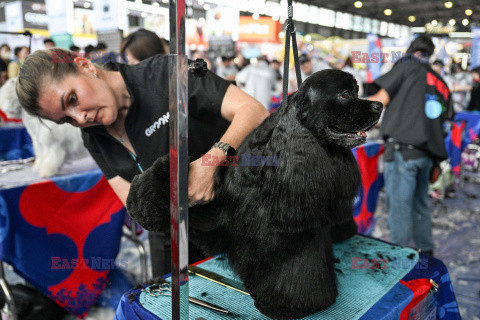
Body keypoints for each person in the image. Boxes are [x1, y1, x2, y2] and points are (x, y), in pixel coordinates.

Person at [16, 48, 269, 276]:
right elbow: (132, 202)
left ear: (85, 66)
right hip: (173, 234)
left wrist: (211, 163)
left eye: (72, 99)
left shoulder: (164, 75)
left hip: (241, 215)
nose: (80, 119)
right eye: (66, 120)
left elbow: (254, 111)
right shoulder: (93, 137)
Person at [368, 35, 452, 256]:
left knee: (400, 208)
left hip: (403, 152)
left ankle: (400, 262)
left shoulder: (407, 66)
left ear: (411, 52)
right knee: (420, 206)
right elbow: (443, 122)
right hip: (428, 157)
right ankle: (426, 258)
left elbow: (379, 100)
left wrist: (340, 109)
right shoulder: (441, 83)